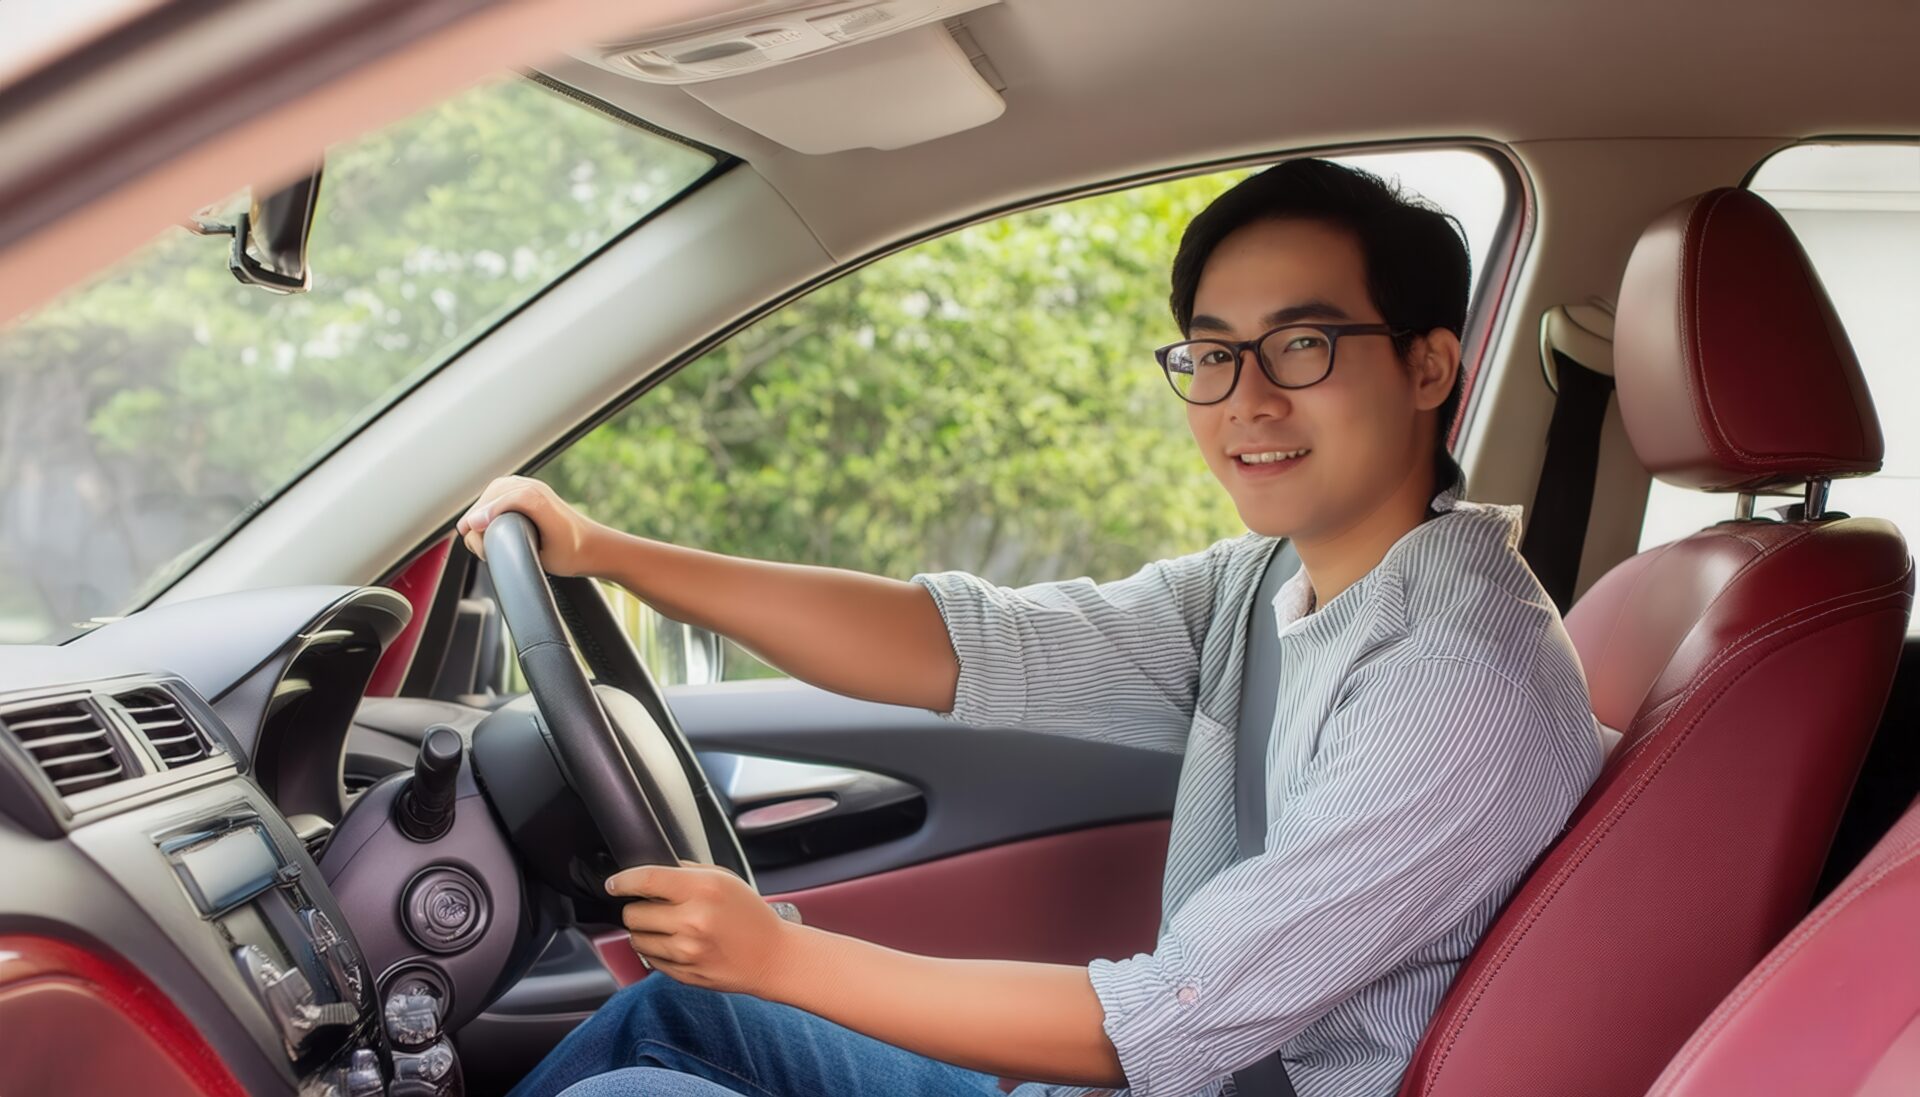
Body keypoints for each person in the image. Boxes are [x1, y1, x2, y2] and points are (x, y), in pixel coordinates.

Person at [459, 158, 1606, 1097]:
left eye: (1302, 344)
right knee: (676, 1009)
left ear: (1427, 365)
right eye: (1214, 354)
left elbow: (1170, 1018)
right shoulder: (1265, 583)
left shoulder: (1458, 676)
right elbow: (960, 642)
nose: (1247, 399)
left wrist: (780, 954)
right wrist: (608, 550)